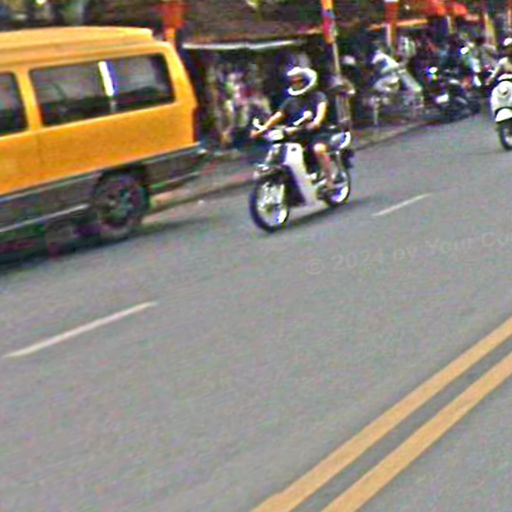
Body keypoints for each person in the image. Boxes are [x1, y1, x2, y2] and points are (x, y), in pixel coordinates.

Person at [250, 66, 337, 193]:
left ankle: (330, 181)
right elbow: (277, 116)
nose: (296, 84)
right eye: (294, 82)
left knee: (319, 150)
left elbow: (321, 111)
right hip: (297, 135)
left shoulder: (318, 96)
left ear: (307, 82)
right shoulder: (290, 101)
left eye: (300, 81)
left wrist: (316, 122)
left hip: (318, 133)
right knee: (280, 151)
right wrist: (262, 130)